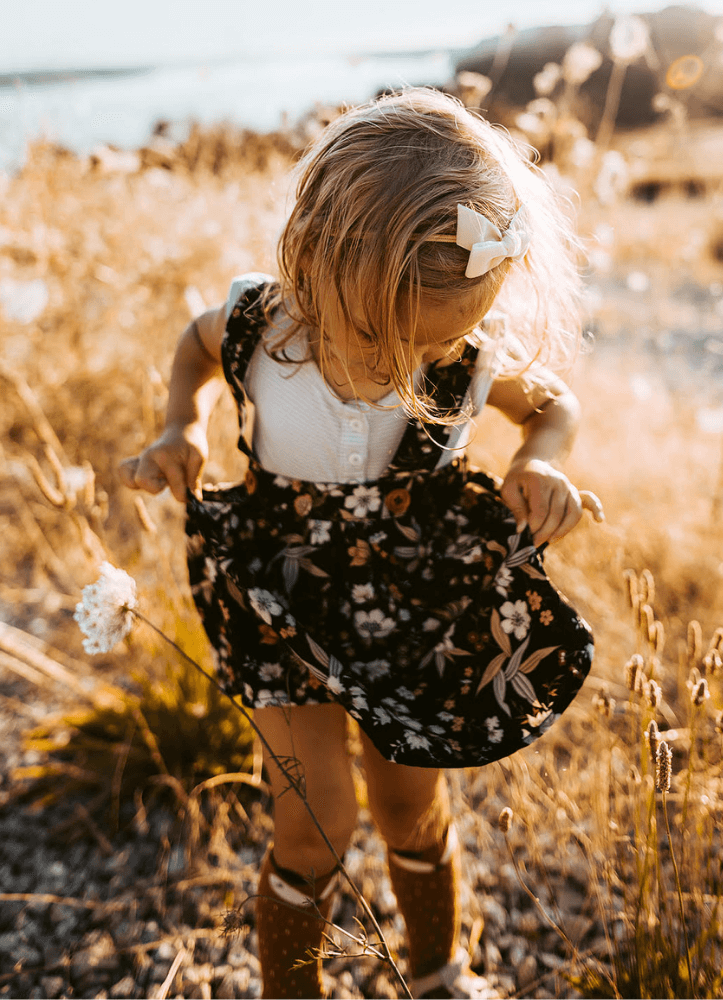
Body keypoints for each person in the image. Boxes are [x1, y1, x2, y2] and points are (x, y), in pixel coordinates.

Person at [120, 88, 602, 1000]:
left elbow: (553, 406)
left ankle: (437, 969)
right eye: (382, 335)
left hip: (421, 601)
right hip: (280, 597)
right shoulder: (265, 327)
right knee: (317, 824)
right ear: (312, 259)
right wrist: (179, 425)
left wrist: (540, 461)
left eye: (435, 346)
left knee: (410, 807)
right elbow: (191, 348)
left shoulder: (462, 350)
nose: (402, 367)